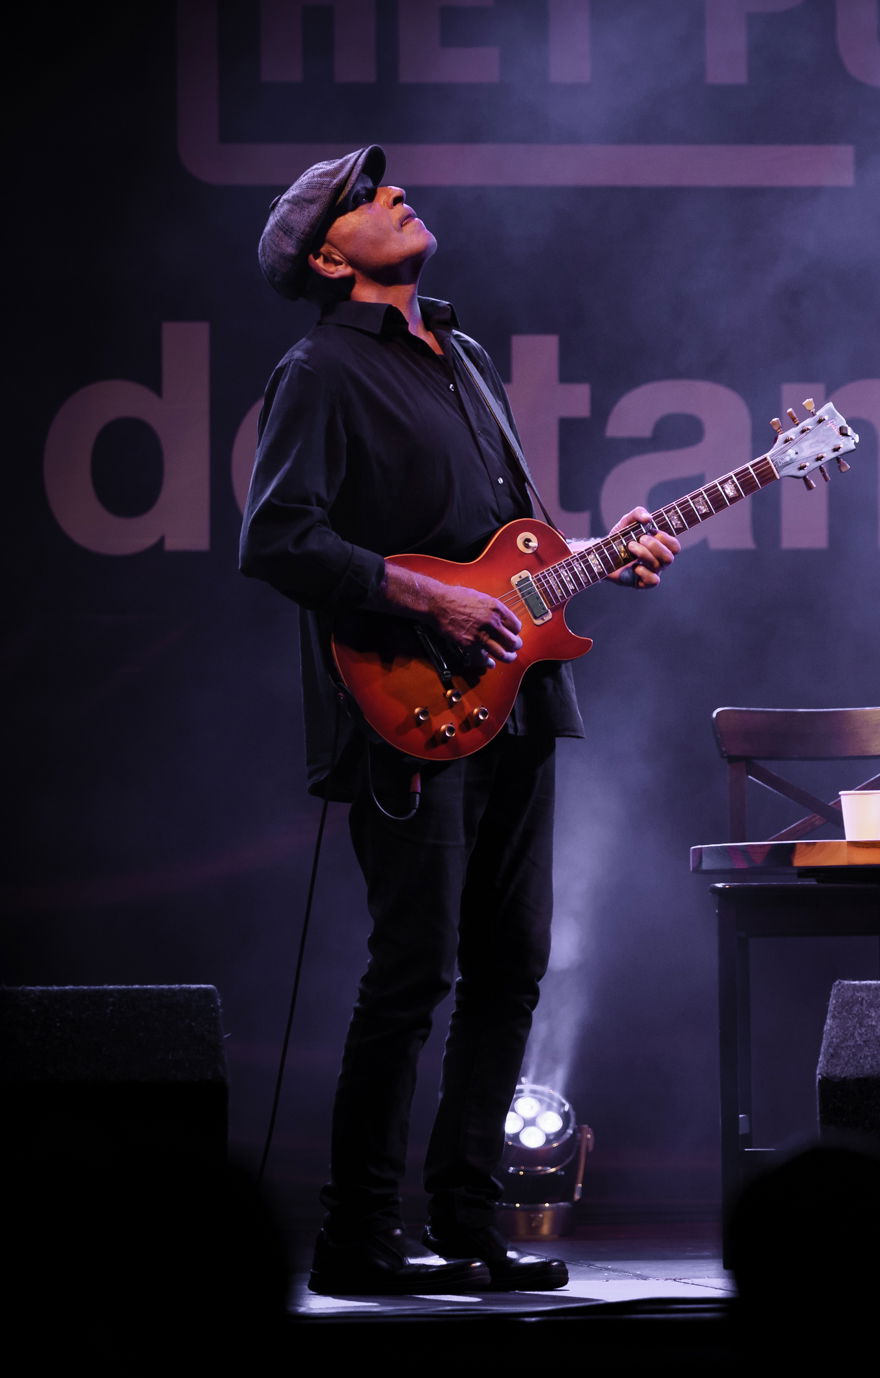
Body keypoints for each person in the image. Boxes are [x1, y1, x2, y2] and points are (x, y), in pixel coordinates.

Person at [240, 146, 681, 1293]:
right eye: (364, 196)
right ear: (330, 254)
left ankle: (471, 1220)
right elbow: (277, 537)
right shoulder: (321, 371)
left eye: (390, 185)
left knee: (511, 966)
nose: (395, 193)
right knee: (413, 970)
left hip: (518, 700)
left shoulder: (467, 357)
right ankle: (358, 1233)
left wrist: (600, 554)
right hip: (407, 705)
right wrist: (424, 594)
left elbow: (511, 556)